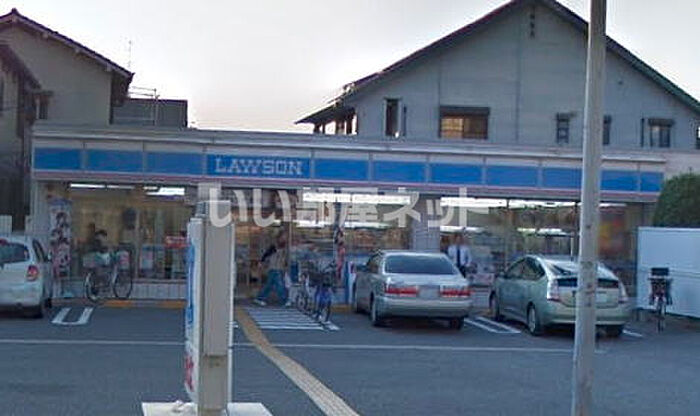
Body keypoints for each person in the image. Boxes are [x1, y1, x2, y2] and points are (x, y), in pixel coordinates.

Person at [254, 231, 289, 307]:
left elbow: (284, 259)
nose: (285, 238)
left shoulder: (284, 247)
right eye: (283, 237)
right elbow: (266, 254)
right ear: (279, 238)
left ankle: (260, 298)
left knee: (269, 285)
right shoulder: (274, 247)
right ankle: (284, 300)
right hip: (274, 268)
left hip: (278, 268)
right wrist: (261, 262)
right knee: (279, 285)